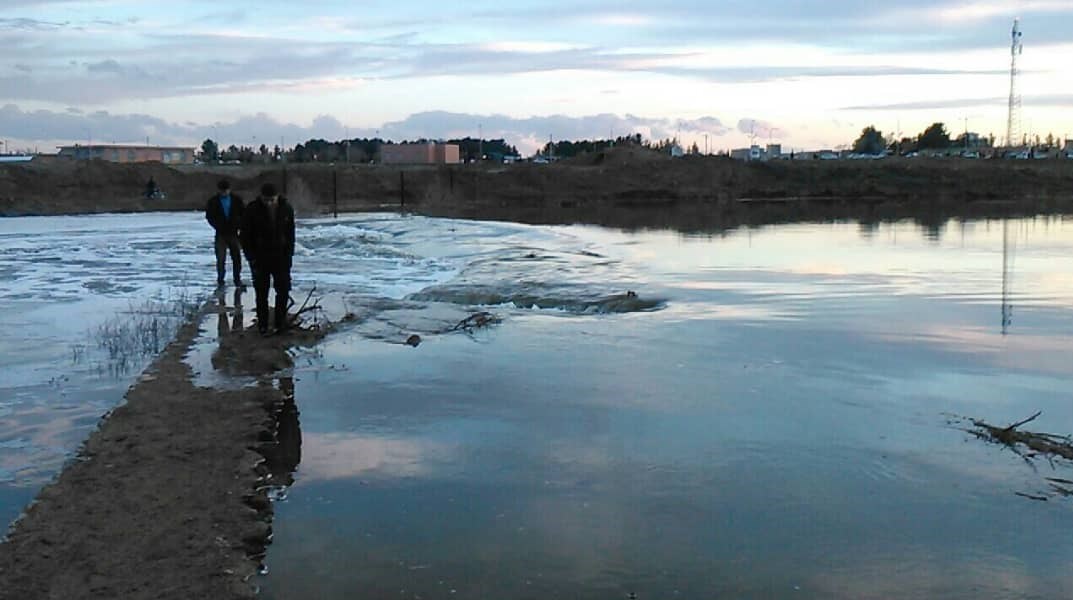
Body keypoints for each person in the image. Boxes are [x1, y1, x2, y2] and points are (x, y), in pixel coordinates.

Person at [240, 183, 295, 335]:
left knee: (283, 291)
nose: (269, 203)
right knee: (261, 293)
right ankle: (263, 325)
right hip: (260, 258)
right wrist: (251, 258)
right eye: (266, 200)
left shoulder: (286, 208)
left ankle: (279, 323)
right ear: (261, 197)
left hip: (281, 258)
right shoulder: (252, 209)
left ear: (277, 197)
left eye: (272, 200)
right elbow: (244, 236)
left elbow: (291, 235)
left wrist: (289, 256)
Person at [205, 179, 246, 287]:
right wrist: (217, 225)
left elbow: (244, 214)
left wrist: (239, 225)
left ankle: (237, 279)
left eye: (226, 190)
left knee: (237, 258)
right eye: (222, 191)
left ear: (229, 190)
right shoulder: (213, 201)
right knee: (220, 259)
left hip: (233, 233)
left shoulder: (236, 200)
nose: (224, 193)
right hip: (221, 233)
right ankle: (220, 280)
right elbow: (209, 216)